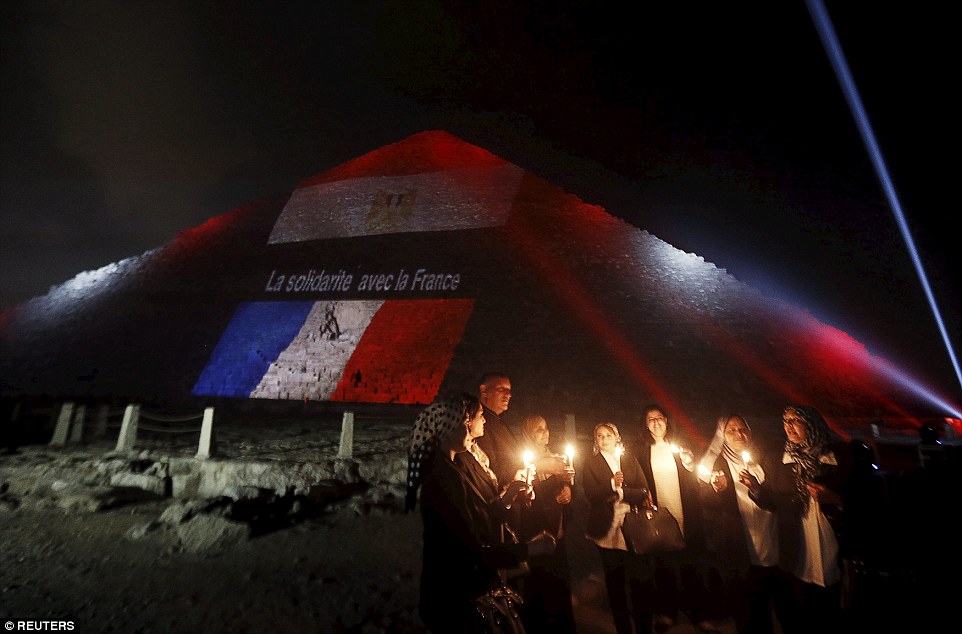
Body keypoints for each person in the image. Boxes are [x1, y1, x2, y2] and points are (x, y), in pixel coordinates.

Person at [408, 393, 534, 632]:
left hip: (466, 590)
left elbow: (481, 512)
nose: (479, 423)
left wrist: (508, 496)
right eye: (472, 419)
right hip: (453, 596)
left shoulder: (456, 464)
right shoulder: (442, 477)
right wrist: (529, 549)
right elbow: (469, 546)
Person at [742, 405, 844, 634]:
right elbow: (772, 502)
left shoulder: (834, 459)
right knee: (802, 610)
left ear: (811, 424)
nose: (788, 426)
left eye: (795, 420)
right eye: (785, 420)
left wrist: (834, 498)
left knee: (831, 608)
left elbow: (861, 499)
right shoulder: (782, 460)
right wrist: (756, 488)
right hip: (798, 546)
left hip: (832, 546)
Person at [698, 414, 792, 634]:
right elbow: (705, 500)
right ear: (722, 435)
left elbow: (778, 494)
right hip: (741, 542)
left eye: (743, 428)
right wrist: (718, 490)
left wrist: (757, 488)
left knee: (782, 607)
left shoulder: (764, 457)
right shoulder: (718, 462)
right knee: (749, 613)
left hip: (772, 537)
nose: (739, 434)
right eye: (731, 430)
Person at [633, 404, 714, 632]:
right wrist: (643, 495)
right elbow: (638, 480)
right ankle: (667, 612)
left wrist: (689, 464)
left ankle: (699, 613)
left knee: (692, 566)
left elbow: (696, 477)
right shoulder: (641, 450)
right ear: (645, 425)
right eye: (651, 419)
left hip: (685, 513)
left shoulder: (679, 447)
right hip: (660, 516)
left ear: (667, 421)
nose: (656, 422)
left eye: (660, 418)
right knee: (664, 567)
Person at [584, 422, 654, 634]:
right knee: (615, 583)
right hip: (607, 529)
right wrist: (611, 484)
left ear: (617, 437)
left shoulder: (629, 459)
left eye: (608, 434)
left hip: (633, 526)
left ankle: (644, 626)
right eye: (599, 435)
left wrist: (622, 493)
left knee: (639, 580)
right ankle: (623, 626)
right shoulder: (591, 462)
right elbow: (591, 494)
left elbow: (643, 489)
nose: (604, 439)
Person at [516, 414, 576, 633]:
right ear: (529, 433)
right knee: (539, 585)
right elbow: (530, 495)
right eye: (539, 429)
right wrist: (553, 477)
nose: (545, 432)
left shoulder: (555, 457)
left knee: (560, 583)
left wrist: (569, 490)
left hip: (557, 530)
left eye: (546, 428)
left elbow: (566, 485)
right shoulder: (525, 461)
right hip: (538, 533)